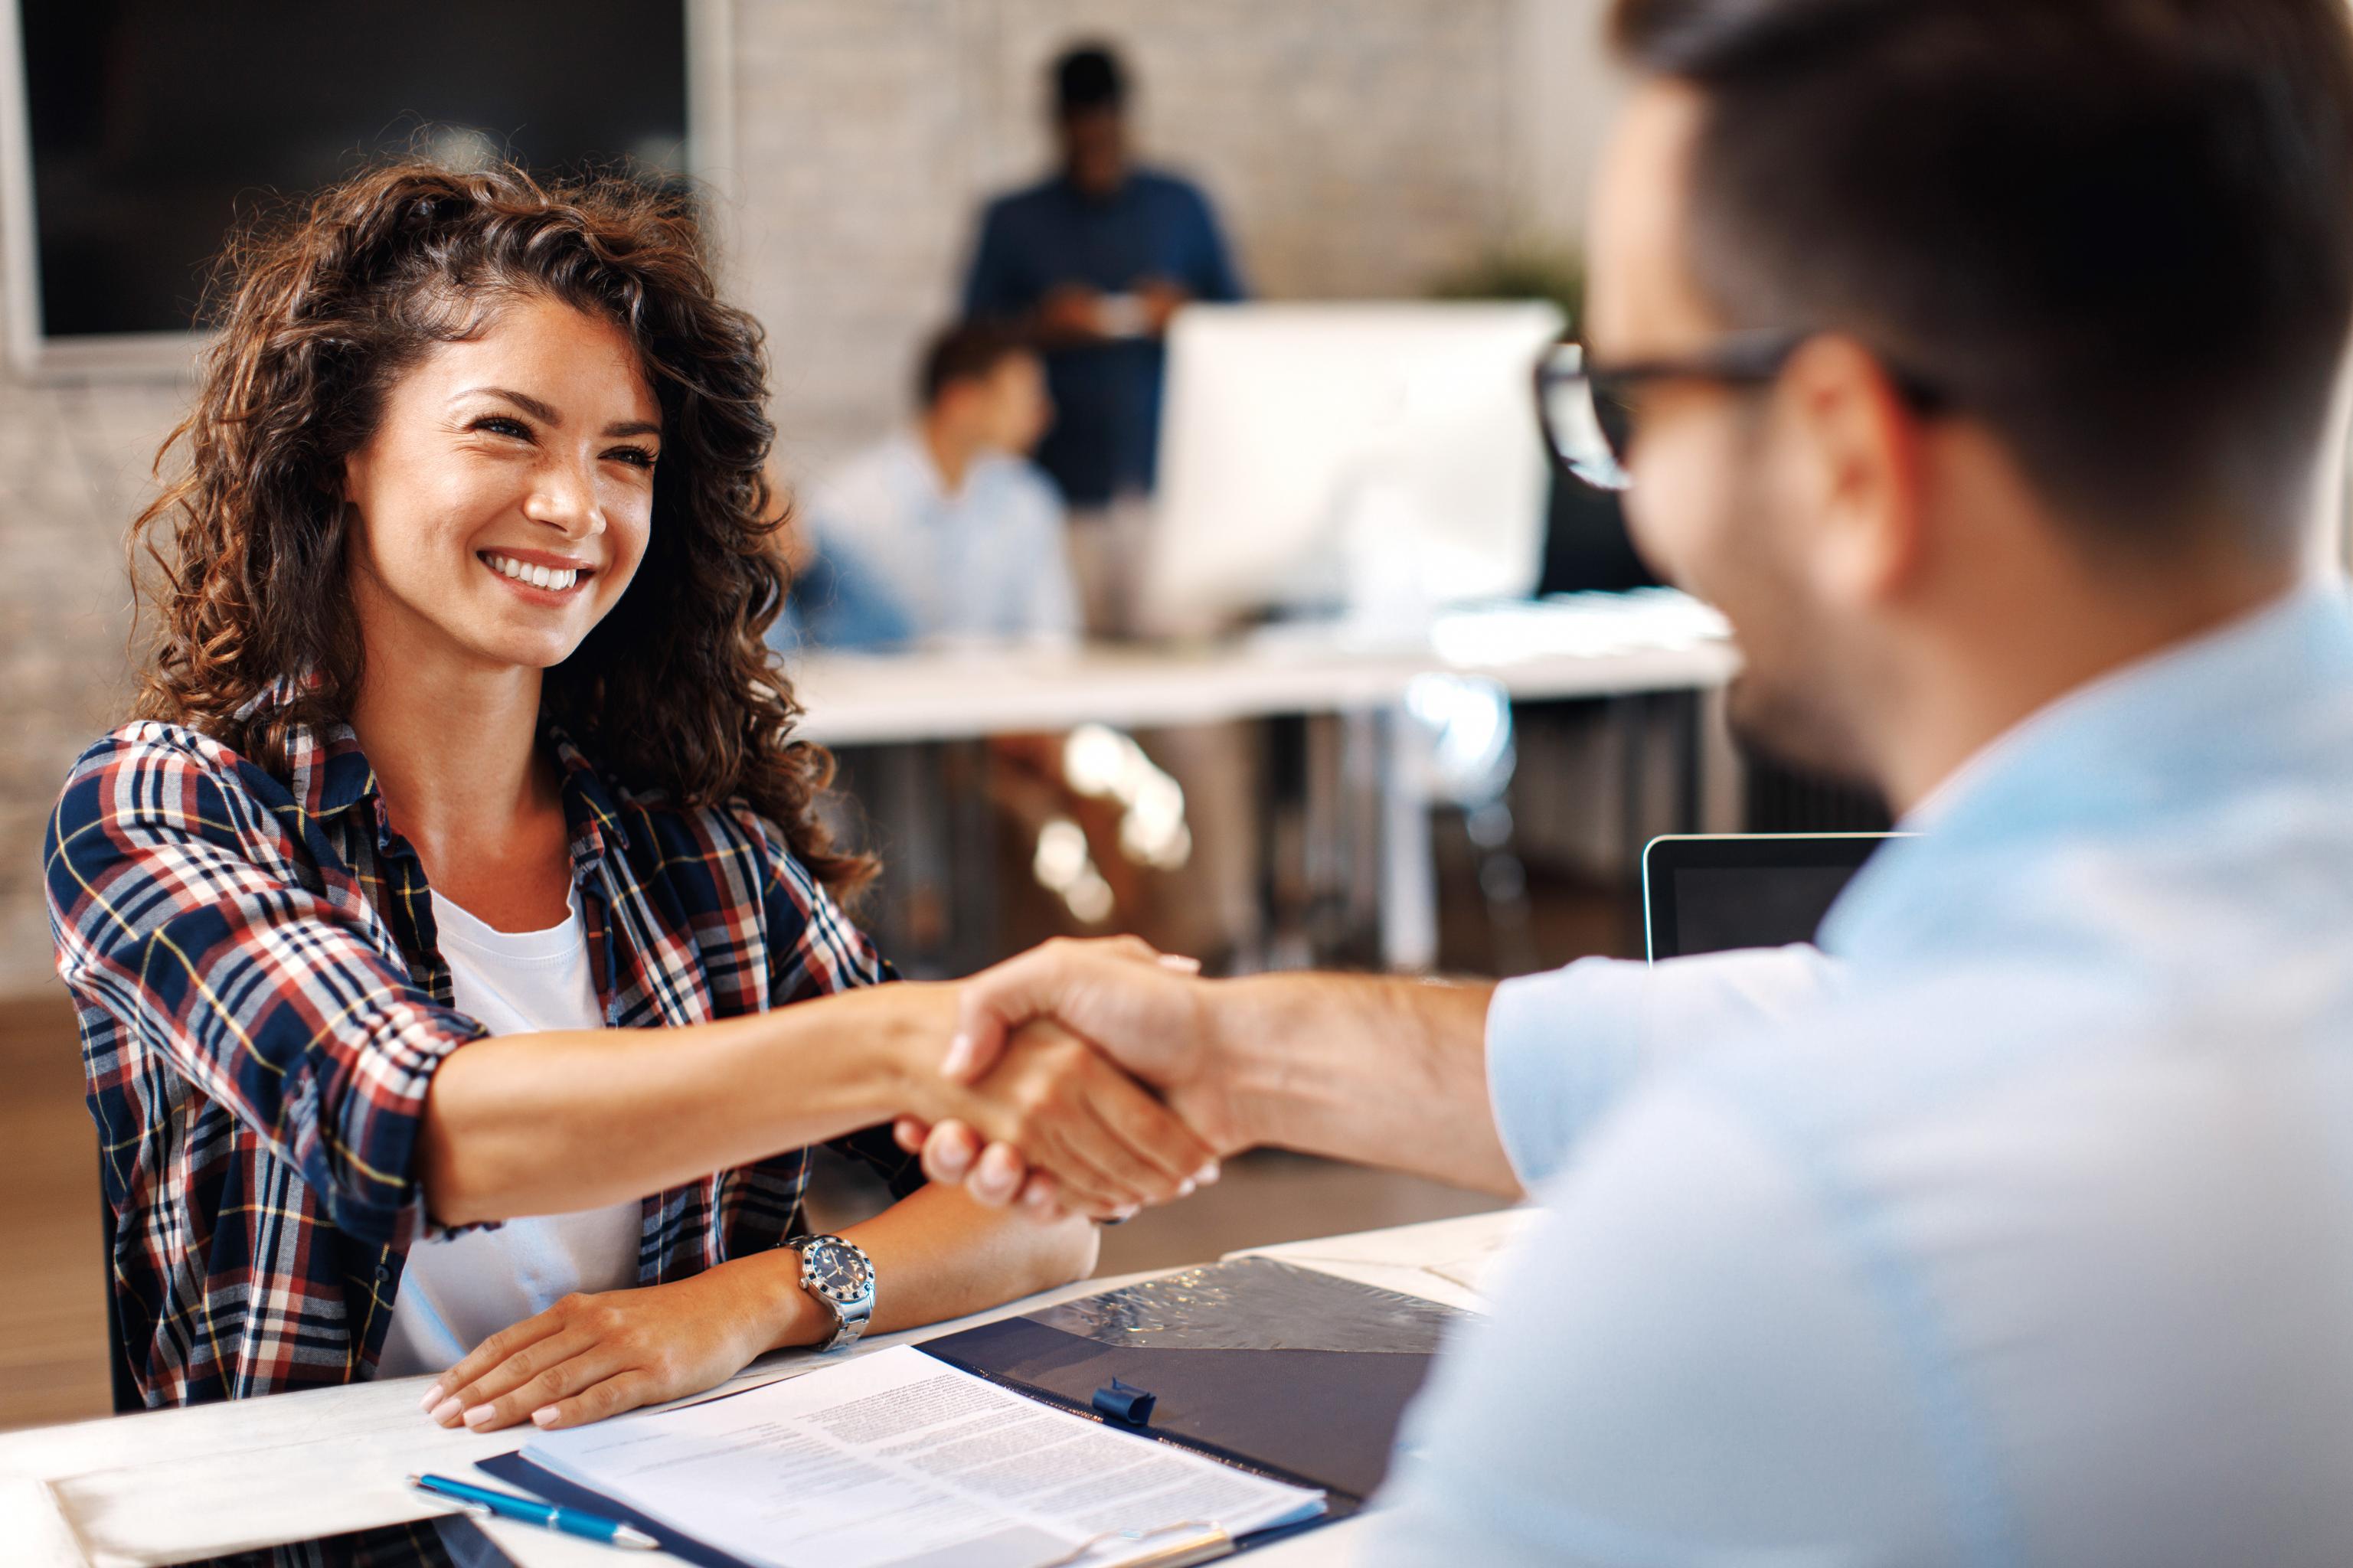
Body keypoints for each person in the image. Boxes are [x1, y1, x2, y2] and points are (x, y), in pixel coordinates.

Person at [901, 0, 2353, 1559]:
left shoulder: (1786, 1231)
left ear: (1846, 459)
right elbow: (1782, 1017)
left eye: (1632, 402)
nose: (1632, 485)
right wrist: (1230, 1053)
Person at [41, 162, 1215, 1433]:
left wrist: (761, 1298)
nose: (575, 506)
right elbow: (423, 1130)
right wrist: (904, 1043)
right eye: (506, 428)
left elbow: (1043, 1219)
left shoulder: (697, 851)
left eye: (626, 456)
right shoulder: (160, 807)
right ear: (343, 451)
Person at [961, 41, 1244, 635]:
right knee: (1070, 681)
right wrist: (1042, 325)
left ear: (1124, 119)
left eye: (1105, 131)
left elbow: (1245, 322)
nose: (1095, 146)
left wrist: (1186, 313)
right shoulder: (1014, 220)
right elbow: (967, 343)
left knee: (1186, 697)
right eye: (1081, 132)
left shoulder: (1179, 204)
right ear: (1058, 125)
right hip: (1057, 491)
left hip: (1170, 485)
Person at [784, 321, 1078, 650]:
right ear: (960, 400)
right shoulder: (847, 505)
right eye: (1024, 398)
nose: (1042, 416)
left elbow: (1051, 639)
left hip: (1005, 696)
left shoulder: (1030, 500)